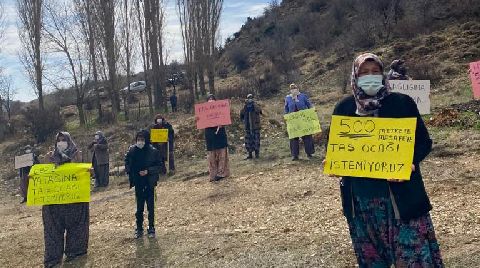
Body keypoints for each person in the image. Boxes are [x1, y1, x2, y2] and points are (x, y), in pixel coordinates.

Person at [329, 53, 443, 267]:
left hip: (402, 200)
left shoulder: (401, 103)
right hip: (362, 204)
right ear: (355, 76)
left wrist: (410, 161)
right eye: (364, 73)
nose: (370, 77)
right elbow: (335, 147)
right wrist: (334, 163)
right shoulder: (343, 109)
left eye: (375, 72)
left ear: (382, 74)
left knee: (413, 259)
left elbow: (423, 142)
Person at [43, 132, 89, 267]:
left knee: (77, 227)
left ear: (69, 141)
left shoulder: (77, 154)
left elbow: (83, 171)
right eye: (59, 140)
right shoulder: (49, 157)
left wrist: (89, 172)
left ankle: (75, 252)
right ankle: (53, 257)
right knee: (53, 230)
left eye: (64, 140)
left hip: (74, 201)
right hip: (54, 202)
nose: (61, 142)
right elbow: (44, 174)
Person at [125, 130, 162, 239]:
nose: (140, 142)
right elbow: (127, 162)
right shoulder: (132, 150)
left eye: (142, 140)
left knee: (151, 207)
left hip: (149, 183)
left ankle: (151, 227)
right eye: (138, 140)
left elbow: (159, 166)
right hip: (138, 183)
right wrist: (130, 171)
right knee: (139, 207)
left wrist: (148, 171)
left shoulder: (153, 151)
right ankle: (139, 228)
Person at [284, 83, 315, 160]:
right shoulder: (288, 98)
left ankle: (309, 153)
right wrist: (286, 116)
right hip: (293, 120)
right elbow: (286, 109)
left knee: (307, 136)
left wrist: (312, 111)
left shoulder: (303, 96)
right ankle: (295, 155)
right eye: (292, 88)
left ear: (297, 89)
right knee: (294, 138)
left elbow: (309, 105)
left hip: (303, 119)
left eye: (294, 88)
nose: (293, 90)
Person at [205, 94, 230, 181]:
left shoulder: (221, 110)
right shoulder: (204, 112)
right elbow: (201, 121)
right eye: (209, 99)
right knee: (212, 156)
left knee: (222, 155)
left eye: (212, 99)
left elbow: (226, 118)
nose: (211, 100)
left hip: (220, 135)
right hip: (210, 136)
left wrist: (222, 123)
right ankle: (213, 174)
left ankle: (222, 173)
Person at [240, 94, 263, 159]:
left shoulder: (255, 105)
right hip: (248, 127)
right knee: (248, 141)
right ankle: (250, 154)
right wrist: (245, 105)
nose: (250, 99)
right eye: (249, 98)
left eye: (251, 98)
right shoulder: (245, 106)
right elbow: (241, 114)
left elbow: (259, 111)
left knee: (256, 141)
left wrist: (253, 104)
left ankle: (257, 154)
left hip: (255, 126)